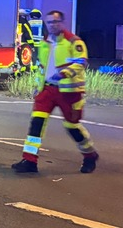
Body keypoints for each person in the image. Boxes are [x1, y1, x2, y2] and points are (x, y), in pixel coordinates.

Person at [12, 10, 100, 174]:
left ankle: (90, 155)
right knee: (36, 124)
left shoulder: (73, 42)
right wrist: (38, 87)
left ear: (62, 23)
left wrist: (64, 73)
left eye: (55, 22)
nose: (52, 25)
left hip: (69, 92)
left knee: (72, 126)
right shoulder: (45, 43)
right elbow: (42, 68)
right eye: (49, 22)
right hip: (47, 90)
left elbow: (81, 62)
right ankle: (29, 161)